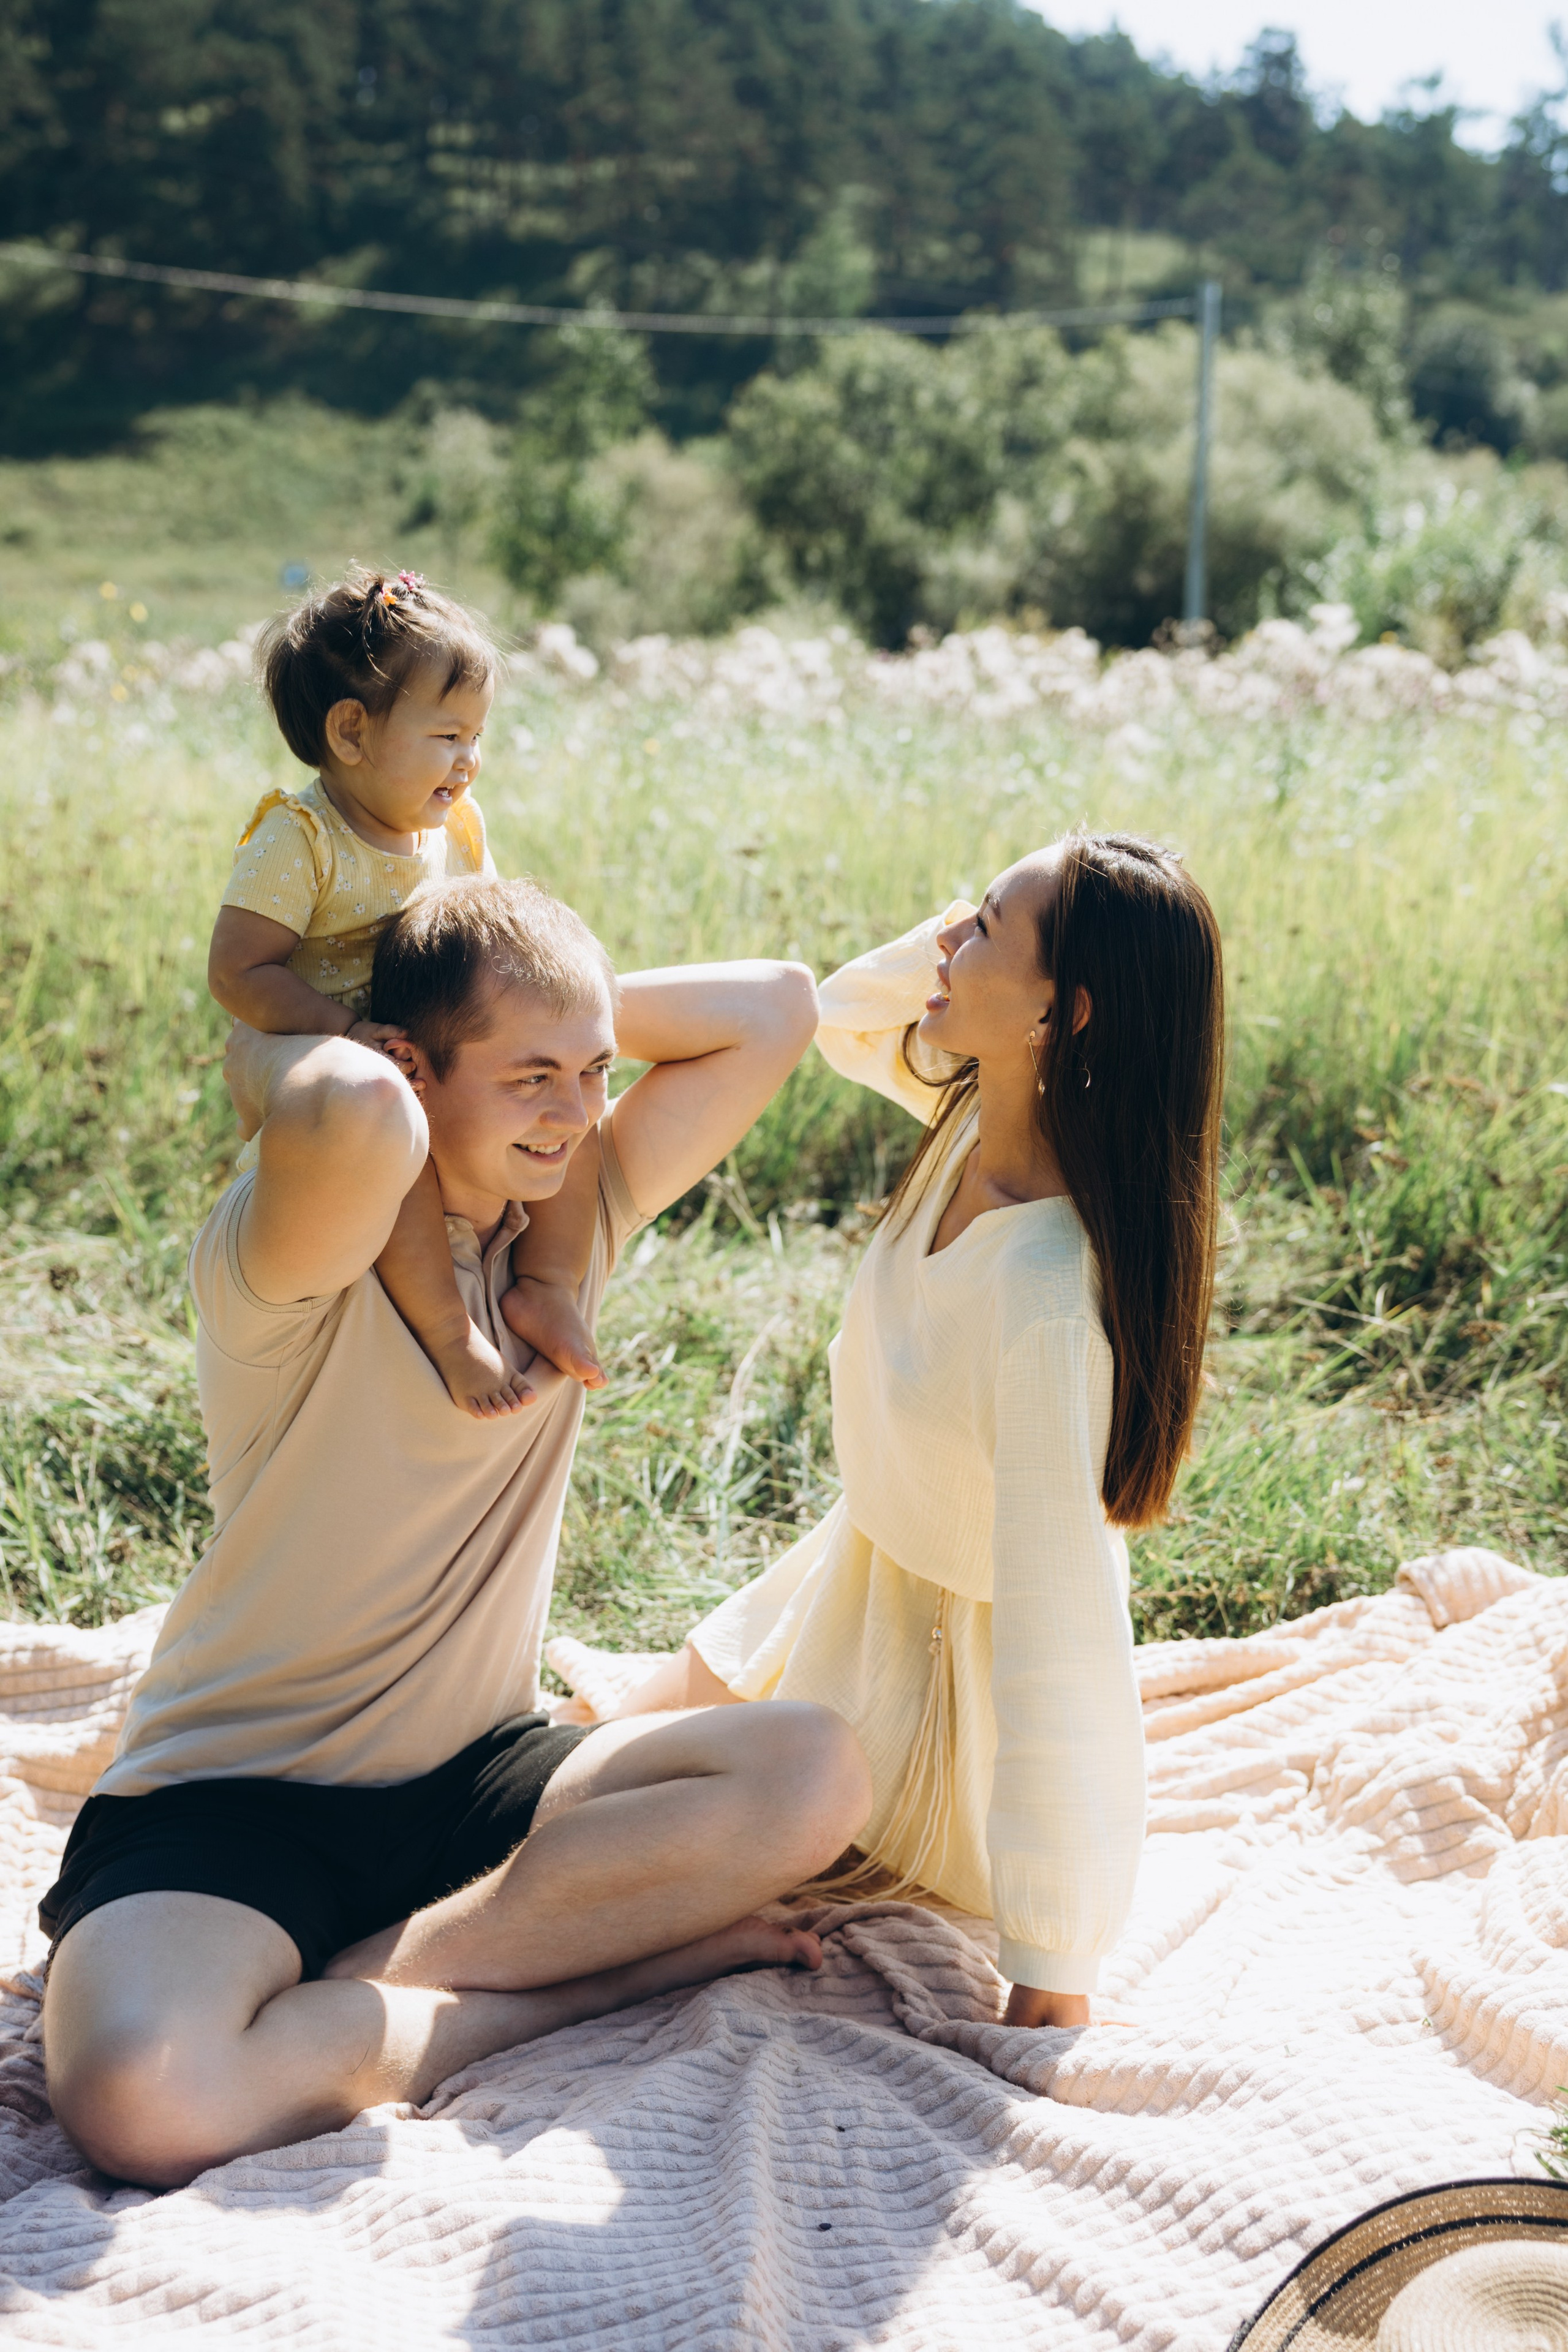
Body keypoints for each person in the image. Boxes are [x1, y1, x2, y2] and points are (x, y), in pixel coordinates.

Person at [41, 875, 872, 2190]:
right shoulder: (297, 1257)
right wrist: (354, 1005)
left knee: (814, 1771)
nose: (574, 1112)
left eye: (593, 1071)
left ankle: (357, 1988)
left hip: (478, 1779)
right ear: (410, 1067)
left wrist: (546, 1009)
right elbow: (350, 1108)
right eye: (530, 1074)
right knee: (140, 2100)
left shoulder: (566, 1236)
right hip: (237, 1805)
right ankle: (559, 1988)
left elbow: (771, 1008)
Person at [612, 832, 1225, 2029]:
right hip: (838, 1599)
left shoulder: (1047, 1290)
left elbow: (1064, 1635)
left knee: (590, 1833)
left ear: (1065, 1014)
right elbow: (843, 1014)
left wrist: (1050, 1964)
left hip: (934, 1715)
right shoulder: (967, 1118)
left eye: (984, 928)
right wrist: (983, 935)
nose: (945, 937)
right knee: (560, 1772)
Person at [208, 565, 603, 1420]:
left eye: (478, 736)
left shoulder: (453, 826)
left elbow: (488, 928)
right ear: (352, 732)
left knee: (574, 1082)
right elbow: (240, 974)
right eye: (448, 735)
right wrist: (344, 1028)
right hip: (310, 1048)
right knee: (403, 1131)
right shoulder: (300, 836)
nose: (470, 761)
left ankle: (547, 1281)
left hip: (410, 1030)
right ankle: (449, 1331)